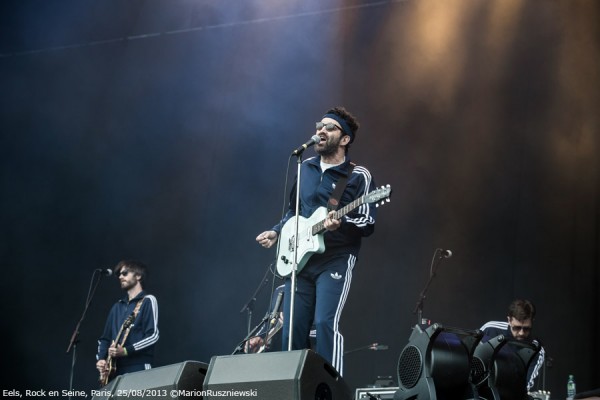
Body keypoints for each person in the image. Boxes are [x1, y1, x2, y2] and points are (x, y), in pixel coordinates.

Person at [256, 106, 377, 375]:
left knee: (324, 323)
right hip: (300, 259)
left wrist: (341, 222)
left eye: (329, 127)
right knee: (291, 330)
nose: (320, 130)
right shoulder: (305, 167)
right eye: (318, 126)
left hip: (335, 257)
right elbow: (293, 211)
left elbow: (368, 222)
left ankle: (329, 387)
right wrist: (277, 231)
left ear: (344, 139)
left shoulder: (358, 175)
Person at [96, 260, 159, 384]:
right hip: (115, 370)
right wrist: (101, 359)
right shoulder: (117, 307)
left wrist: (125, 351)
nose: (120, 277)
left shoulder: (148, 301)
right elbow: (104, 339)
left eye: (125, 273)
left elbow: (153, 336)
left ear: (138, 276)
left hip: (139, 367)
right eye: (119, 274)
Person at [480, 299, 545, 391]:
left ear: (532, 322)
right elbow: (472, 355)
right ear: (509, 320)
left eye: (526, 329)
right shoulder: (490, 329)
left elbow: (525, 386)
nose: (521, 333)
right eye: (517, 328)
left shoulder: (536, 349)